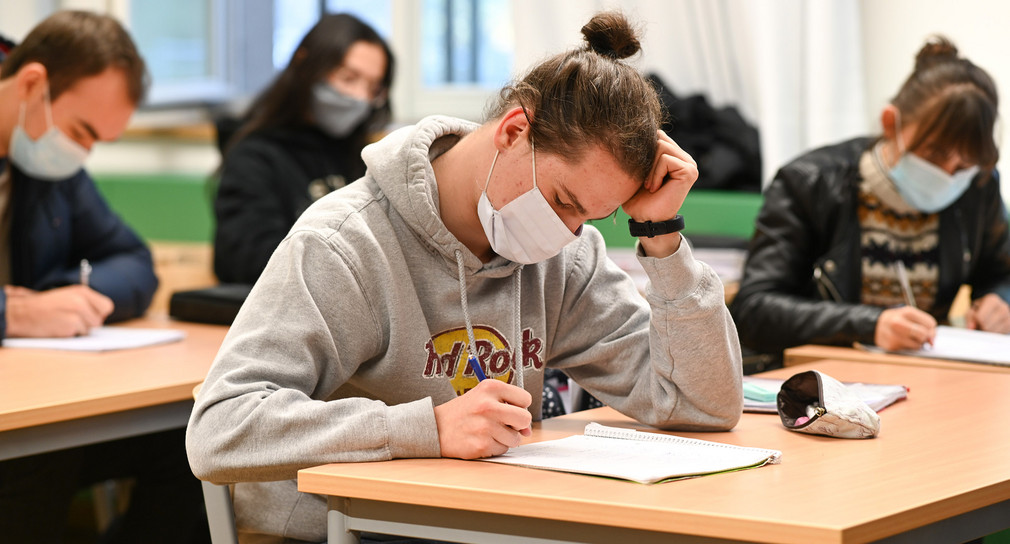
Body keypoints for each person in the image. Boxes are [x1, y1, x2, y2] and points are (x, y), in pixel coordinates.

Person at [187, 11, 742, 543]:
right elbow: (221, 429)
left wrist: (663, 239)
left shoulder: (565, 260)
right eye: (563, 201)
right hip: (353, 527)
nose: (568, 232)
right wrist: (426, 429)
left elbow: (701, 405)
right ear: (513, 130)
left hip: (486, 517)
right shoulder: (345, 244)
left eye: (590, 218)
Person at [0, 11, 208, 543]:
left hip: (31, 400)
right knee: (35, 460)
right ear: (32, 85)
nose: (83, 154)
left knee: (198, 442)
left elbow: (134, 262)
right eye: (80, 132)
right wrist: (12, 313)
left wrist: (66, 300)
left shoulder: (48, 167)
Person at [731, 36, 1010, 360]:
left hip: (935, 371)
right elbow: (754, 309)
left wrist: (999, 299)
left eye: (963, 165)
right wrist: (869, 325)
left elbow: (1001, 270)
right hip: (828, 378)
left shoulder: (978, 186)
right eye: (934, 155)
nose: (948, 175)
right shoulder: (811, 182)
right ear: (891, 123)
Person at [213, 12, 394, 284]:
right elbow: (247, 260)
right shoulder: (256, 155)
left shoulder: (363, 157)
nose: (359, 97)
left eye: (372, 87)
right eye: (348, 78)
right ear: (306, 65)